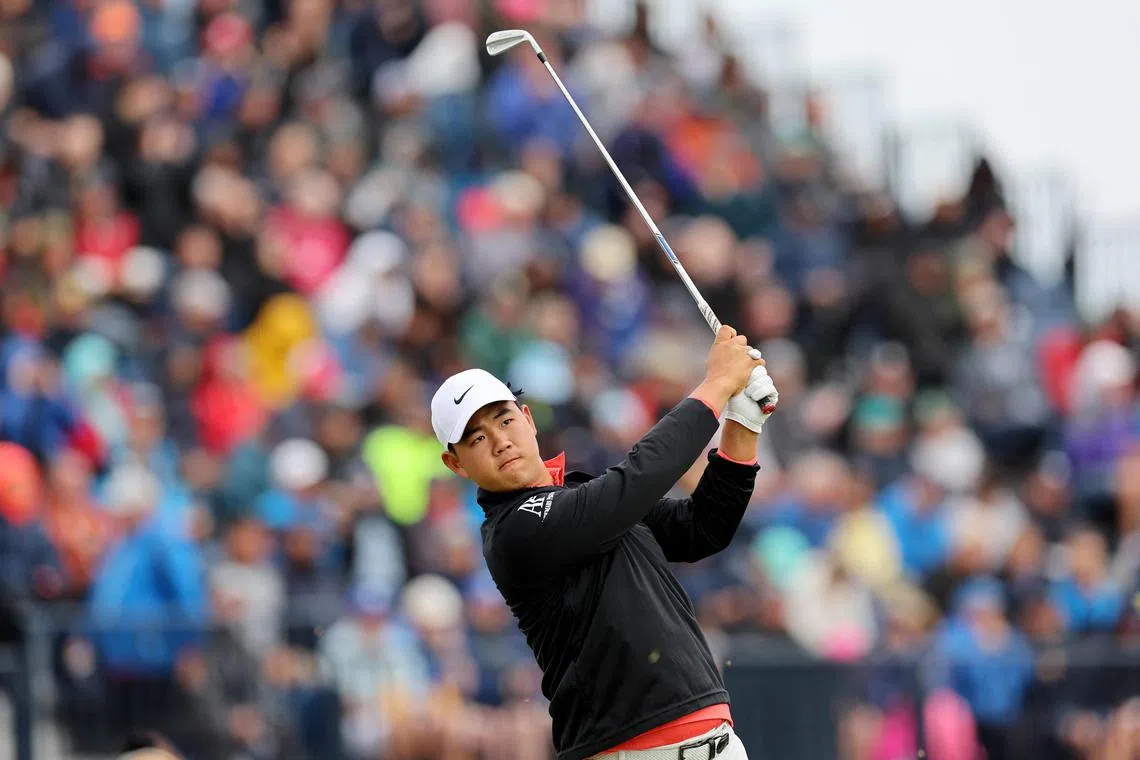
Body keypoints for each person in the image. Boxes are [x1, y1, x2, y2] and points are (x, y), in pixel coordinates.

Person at [431, 325, 779, 760]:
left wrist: (742, 425)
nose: (500, 441)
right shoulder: (513, 532)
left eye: (504, 420)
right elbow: (636, 480)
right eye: (477, 438)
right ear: (455, 463)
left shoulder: (582, 496)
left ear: (528, 419)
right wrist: (715, 387)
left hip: (718, 741)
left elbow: (701, 529)